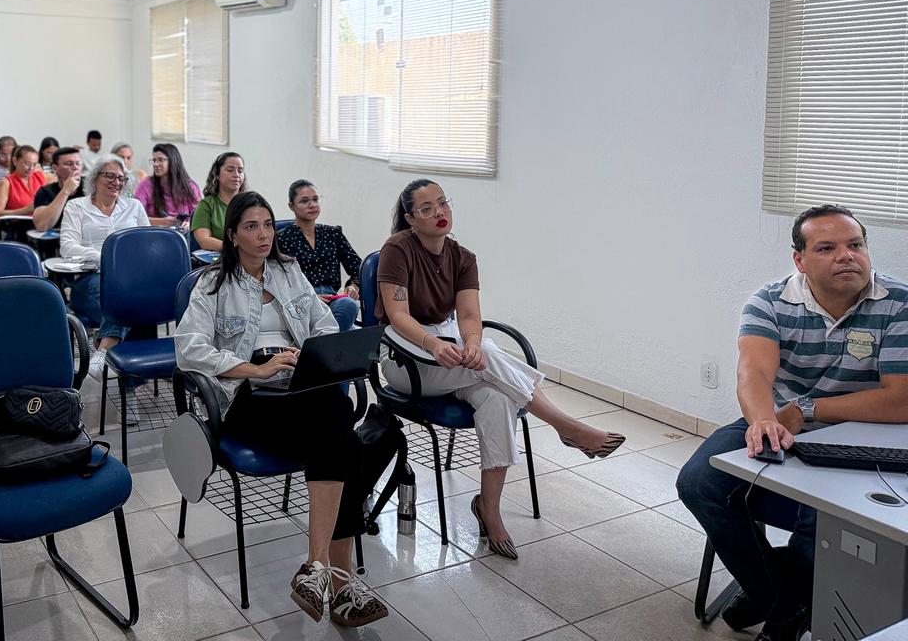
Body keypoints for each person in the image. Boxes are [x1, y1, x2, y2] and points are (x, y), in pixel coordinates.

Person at [677, 204, 908, 641]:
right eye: (827, 248)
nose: (846, 256)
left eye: (855, 244)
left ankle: (774, 599)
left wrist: (807, 410)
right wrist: (762, 421)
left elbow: (901, 401)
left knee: (822, 514)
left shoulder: (899, 303)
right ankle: (784, 605)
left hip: (863, 432)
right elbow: (753, 373)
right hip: (783, 419)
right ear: (799, 260)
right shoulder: (769, 301)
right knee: (699, 482)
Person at [377, 179, 624, 560]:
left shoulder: (463, 257)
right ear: (410, 218)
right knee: (491, 356)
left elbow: (469, 316)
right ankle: (566, 427)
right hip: (405, 357)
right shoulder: (397, 249)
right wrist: (435, 345)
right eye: (427, 208)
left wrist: (472, 343)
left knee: (497, 397)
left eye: (443, 203)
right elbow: (397, 316)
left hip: (450, 352)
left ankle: (488, 510)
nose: (439, 212)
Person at [175, 191, 388, 627]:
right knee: (344, 437)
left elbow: (324, 325)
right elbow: (189, 350)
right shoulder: (212, 284)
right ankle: (340, 583)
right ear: (232, 235)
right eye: (251, 226)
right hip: (247, 395)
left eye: (268, 225)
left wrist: (311, 354)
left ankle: (318, 570)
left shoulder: (289, 272)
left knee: (334, 425)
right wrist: (257, 368)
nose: (263, 234)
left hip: (299, 384)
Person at [61, 157, 149, 416]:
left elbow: (145, 243)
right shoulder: (76, 206)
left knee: (132, 303)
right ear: (95, 178)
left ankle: (102, 352)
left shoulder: (134, 206)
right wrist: (108, 257)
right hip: (88, 280)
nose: (116, 182)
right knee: (134, 307)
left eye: (121, 178)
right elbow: (67, 247)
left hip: (129, 282)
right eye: (109, 176)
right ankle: (128, 394)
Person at [276, 180, 362, 331]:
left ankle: (325, 342)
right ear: (291, 206)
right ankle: (329, 342)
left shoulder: (332, 233)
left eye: (315, 199)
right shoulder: (282, 238)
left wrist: (353, 286)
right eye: (304, 201)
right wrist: (309, 296)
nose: (312, 205)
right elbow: (278, 278)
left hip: (332, 298)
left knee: (349, 305)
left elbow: (359, 268)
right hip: (301, 300)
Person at [134, 143, 201, 228]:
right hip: (153, 232)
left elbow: (199, 217)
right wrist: (165, 222)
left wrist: (190, 224)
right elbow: (136, 216)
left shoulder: (190, 187)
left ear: (173, 161)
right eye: (154, 160)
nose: (155, 164)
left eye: (160, 160)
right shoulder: (145, 185)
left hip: (182, 233)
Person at [191, 152, 246, 252]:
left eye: (240, 171)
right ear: (217, 175)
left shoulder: (249, 204)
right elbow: (204, 240)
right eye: (230, 170)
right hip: (220, 258)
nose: (236, 175)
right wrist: (236, 248)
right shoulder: (207, 204)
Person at [0, 144, 48, 227]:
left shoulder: (40, 176)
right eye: (27, 163)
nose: (31, 168)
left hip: (42, 225)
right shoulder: (6, 183)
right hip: (18, 227)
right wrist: (24, 210)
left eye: (34, 164)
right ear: (15, 161)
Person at [32, 147, 85, 234]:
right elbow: (42, 225)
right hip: (56, 240)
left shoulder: (91, 187)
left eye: (78, 163)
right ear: (55, 168)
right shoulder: (45, 191)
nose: (75, 167)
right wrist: (66, 191)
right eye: (69, 164)